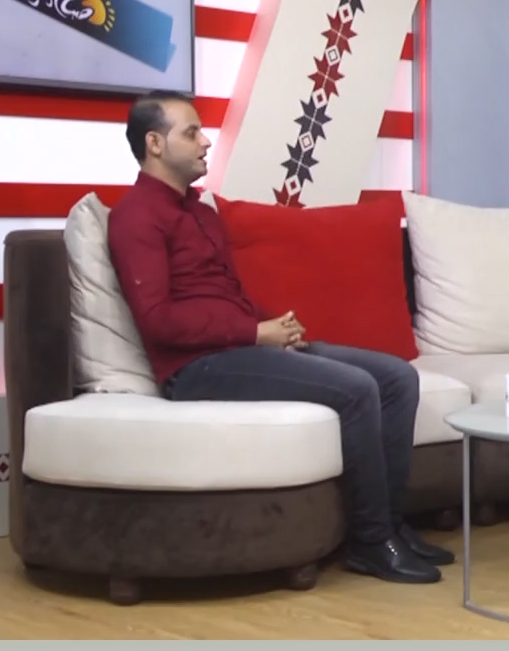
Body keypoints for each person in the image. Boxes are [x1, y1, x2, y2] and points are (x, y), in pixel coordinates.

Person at [106, 91, 450, 584]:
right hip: (197, 368)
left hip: (242, 348)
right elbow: (159, 320)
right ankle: (371, 542)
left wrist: (274, 328)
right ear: (154, 144)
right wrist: (254, 332)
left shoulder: (202, 214)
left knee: (397, 377)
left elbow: (224, 296)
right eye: (192, 132)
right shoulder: (136, 217)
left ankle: (393, 525)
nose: (206, 142)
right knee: (357, 389)